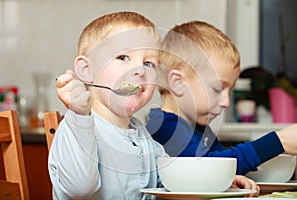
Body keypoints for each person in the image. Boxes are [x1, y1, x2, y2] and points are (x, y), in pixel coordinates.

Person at [52, 13, 259, 199]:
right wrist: (79, 116)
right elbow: (80, 189)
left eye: (148, 63)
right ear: (86, 70)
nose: (139, 71)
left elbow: (172, 179)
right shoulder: (75, 128)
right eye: (123, 57)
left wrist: (220, 182)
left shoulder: (143, 137)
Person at [146, 20, 297, 176]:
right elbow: (213, 168)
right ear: (177, 83)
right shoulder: (165, 127)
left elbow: (228, 166)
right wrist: (279, 141)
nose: (226, 103)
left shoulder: (200, 129)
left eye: (229, 92)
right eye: (217, 88)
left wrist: (234, 178)